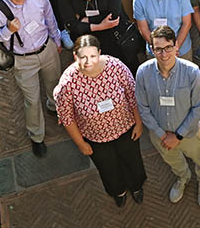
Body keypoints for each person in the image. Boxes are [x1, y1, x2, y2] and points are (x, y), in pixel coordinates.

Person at [54, 35, 145, 206]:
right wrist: (81, 143)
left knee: (133, 161)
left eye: (93, 56)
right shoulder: (67, 83)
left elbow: (132, 96)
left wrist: (139, 123)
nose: (89, 61)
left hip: (126, 129)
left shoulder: (116, 67)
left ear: (100, 53)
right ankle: (118, 191)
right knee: (108, 168)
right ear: (75, 56)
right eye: (83, 57)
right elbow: (67, 118)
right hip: (95, 137)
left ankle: (136, 186)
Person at [0, 0, 61, 157]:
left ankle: (53, 107)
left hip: (46, 49)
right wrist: (7, 31)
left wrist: (56, 40)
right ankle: (37, 137)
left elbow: (50, 18)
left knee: (55, 86)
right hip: (23, 60)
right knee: (32, 100)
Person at [135, 25, 200, 206]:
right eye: (158, 49)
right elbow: (143, 108)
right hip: (159, 135)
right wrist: (163, 135)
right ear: (152, 49)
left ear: (176, 46)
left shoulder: (192, 72)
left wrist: (177, 135)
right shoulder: (143, 73)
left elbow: (198, 107)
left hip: (189, 133)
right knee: (172, 159)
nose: (163, 54)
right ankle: (183, 177)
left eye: (168, 47)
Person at [59, 0, 134, 74]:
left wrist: (85, 20)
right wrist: (99, 26)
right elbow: (70, 24)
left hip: (113, 35)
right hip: (87, 38)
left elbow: (114, 15)